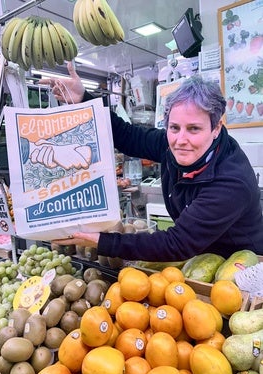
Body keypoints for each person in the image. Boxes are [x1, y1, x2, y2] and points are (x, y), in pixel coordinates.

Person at [39, 62, 263, 262]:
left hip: (241, 268)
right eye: (174, 127)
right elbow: (127, 136)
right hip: (201, 257)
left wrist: (104, 242)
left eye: (194, 128)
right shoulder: (168, 143)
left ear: (216, 128)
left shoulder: (231, 182)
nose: (180, 140)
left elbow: (176, 243)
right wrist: (83, 99)